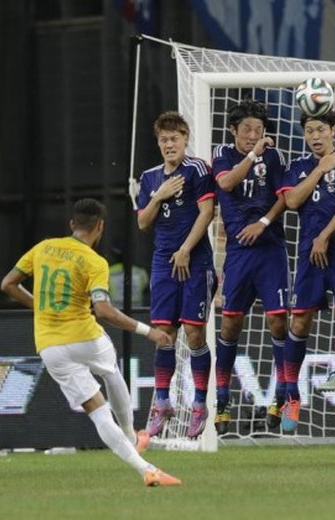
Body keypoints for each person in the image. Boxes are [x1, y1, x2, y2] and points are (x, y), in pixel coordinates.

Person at [1, 198, 181, 486]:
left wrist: (39, 305)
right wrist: (150, 332)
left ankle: (146, 469)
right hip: (85, 336)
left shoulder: (43, 248)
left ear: (72, 224)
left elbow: (7, 284)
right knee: (110, 371)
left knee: (98, 413)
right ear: (100, 227)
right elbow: (105, 311)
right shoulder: (95, 261)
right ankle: (132, 436)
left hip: (50, 346)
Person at [278, 111, 335, 433]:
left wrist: (325, 236)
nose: (315, 136)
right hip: (308, 254)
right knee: (299, 322)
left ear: (333, 131)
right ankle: (291, 396)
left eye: (320, 130)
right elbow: (291, 200)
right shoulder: (300, 167)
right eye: (309, 131)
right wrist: (319, 169)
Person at [211, 100, 290, 433]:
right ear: (234, 131)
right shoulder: (223, 154)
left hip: (270, 249)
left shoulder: (275, 157)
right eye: (247, 130)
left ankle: (281, 396)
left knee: (278, 323)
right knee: (230, 326)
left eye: (259, 130)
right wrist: (252, 154)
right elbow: (227, 184)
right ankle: (223, 402)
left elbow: (285, 196)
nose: (253, 135)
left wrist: (264, 220)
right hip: (239, 253)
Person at [137, 112, 216, 439]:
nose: (170, 144)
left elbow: (208, 212)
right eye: (164, 140)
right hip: (162, 263)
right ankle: (162, 403)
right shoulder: (150, 177)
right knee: (164, 334)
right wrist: (159, 195)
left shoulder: (197, 169)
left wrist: (185, 249)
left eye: (175, 138)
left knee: (195, 334)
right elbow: (143, 222)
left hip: (195, 261)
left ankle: (199, 404)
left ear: (185, 139)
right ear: (158, 143)